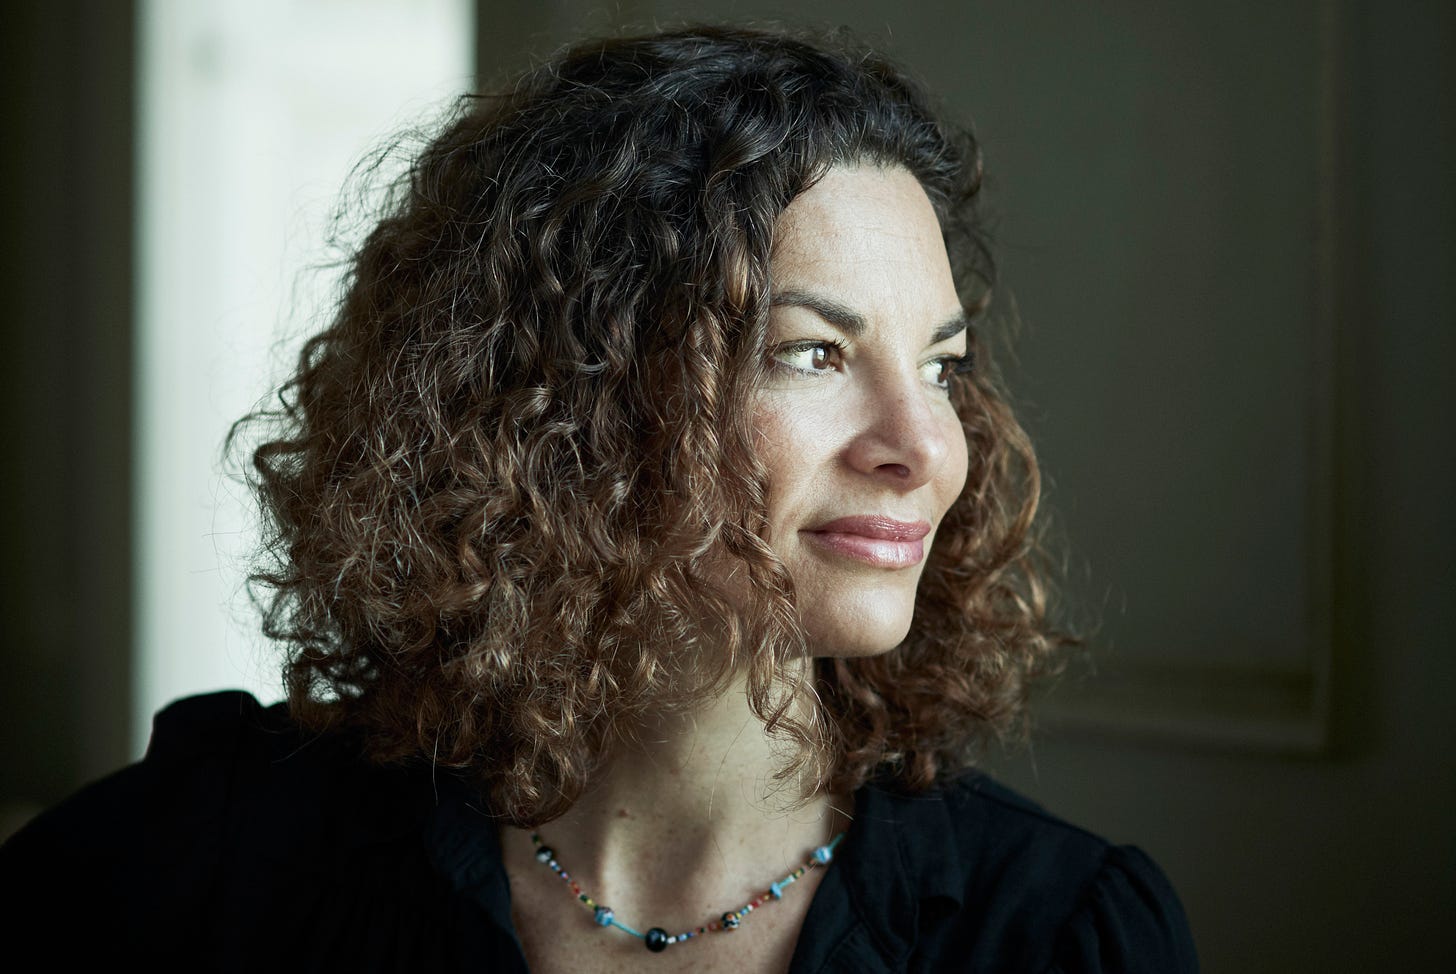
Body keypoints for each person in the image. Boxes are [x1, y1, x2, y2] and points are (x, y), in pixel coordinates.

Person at [0, 24, 1197, 973]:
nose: (924, 445)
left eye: (939, 365)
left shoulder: (1054, 930)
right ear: (568, 401)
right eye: (810, 353)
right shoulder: (212, 858)